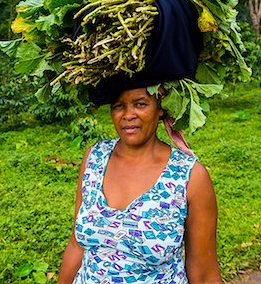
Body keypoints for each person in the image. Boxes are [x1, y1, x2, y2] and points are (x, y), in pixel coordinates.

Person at [57, 87, 223, 284]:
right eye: (119, 106)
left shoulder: (190, 176)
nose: (128, 115)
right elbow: (77, 245)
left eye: (140, 104)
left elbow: (204, 273)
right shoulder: (94, 158)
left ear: (160, 107)